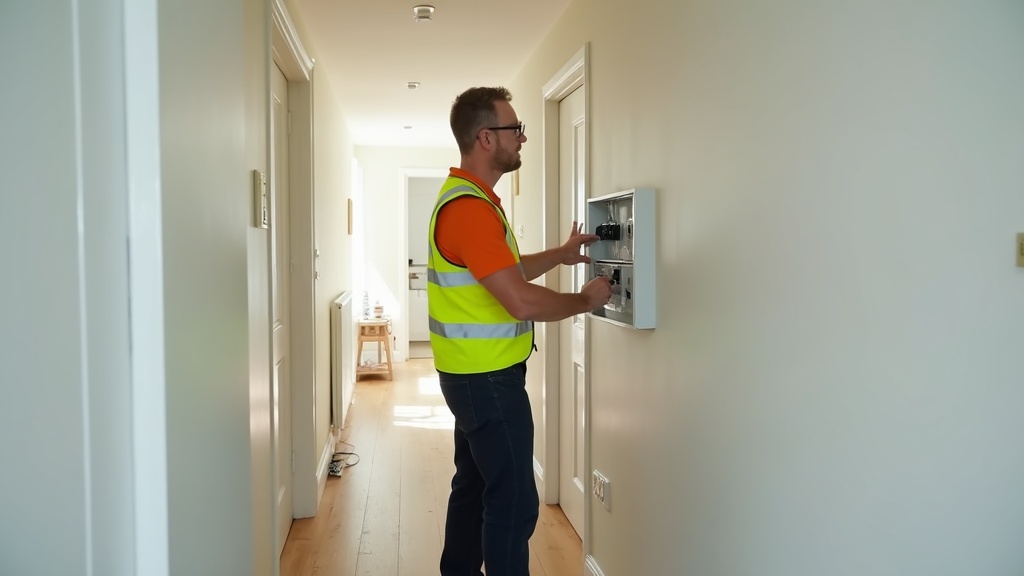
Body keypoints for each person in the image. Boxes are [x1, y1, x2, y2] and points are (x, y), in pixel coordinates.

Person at [426, 86, 613, 576]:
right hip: (486, 381)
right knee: (513, 503)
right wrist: (584, 301)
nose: (523, 138)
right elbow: (519, 299)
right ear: (486, 138)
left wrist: (561, 254)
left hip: (470, 377)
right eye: (515, 129)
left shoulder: (473, 200)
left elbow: (504, 271)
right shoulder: (468, 208)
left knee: (473, 488)